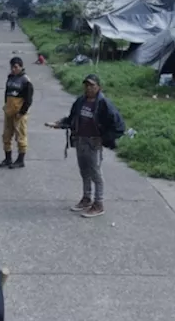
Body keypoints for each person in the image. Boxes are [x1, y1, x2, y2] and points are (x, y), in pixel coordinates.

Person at [48, 74, 125, 218]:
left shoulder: (103, 103)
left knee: (96, 173)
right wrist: (59, 124)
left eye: (92, 85)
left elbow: (119, 126)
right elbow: (72, 119)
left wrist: (103, 139)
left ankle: (99, 204)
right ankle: (86, 198)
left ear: (99, 87)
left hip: (94, 142)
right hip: (80, 140)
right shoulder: (80, 101)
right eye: (86, 85)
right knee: (84, 172)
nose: (89, 88)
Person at [0, 57, 34, 169]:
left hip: (19, 113)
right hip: (9, 111)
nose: (13, 69)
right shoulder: (10, 78)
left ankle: (20, 160)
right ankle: (8, 158)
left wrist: (22, 112)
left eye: (16, 67)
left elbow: (28, 99)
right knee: (6, 135)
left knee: (20, 136)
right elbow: (6, 93)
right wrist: (6, 106)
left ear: (21, 67)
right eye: (12, 67)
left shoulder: (26, 81)